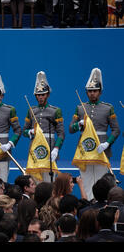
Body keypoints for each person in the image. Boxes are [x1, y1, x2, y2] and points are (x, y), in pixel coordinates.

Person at [69, 68, 120, 201]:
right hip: (85, 152)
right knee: (86, 182)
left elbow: (116, 130)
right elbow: (70, 129)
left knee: (102, 184)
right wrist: (78, 124)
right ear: (86, 92)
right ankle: (87, 208)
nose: (92, 94)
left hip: (101, 151)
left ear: (100, 92)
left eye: (95, 91)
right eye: (90, 91)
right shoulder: (80, 108)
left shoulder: (108, 108)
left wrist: (107, 143)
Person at [23, 71, 64, 182]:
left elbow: (61, 133)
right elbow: (24, 131)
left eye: (43, 94)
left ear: (48, 95)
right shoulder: (31, 110)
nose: (40, 97)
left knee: (49, 182)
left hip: (49, 148)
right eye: (38, 95)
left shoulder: (55, 111)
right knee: (34, 181)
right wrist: (30, 132)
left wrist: (56, 149)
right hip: (34, 148)